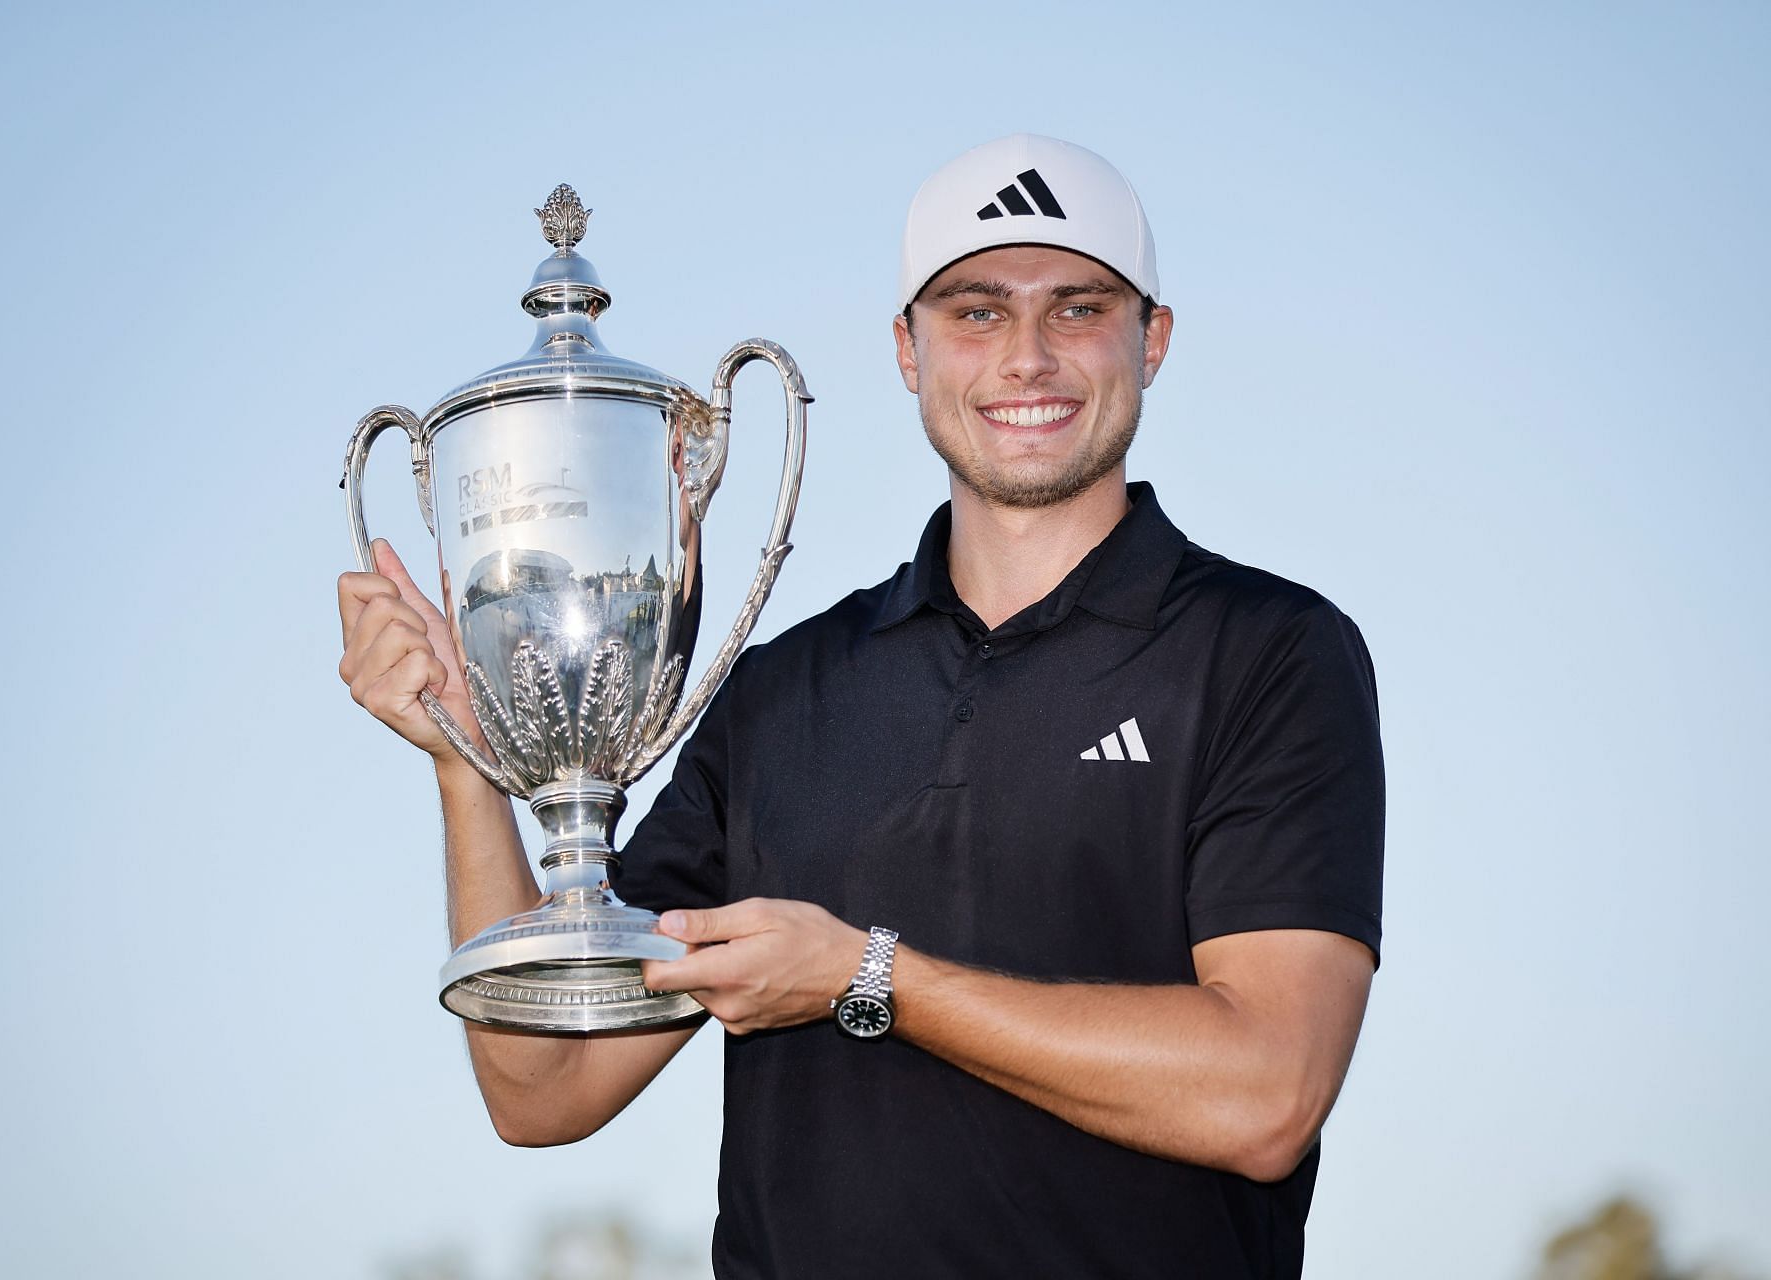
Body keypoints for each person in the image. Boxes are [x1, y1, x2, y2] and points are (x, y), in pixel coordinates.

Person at [337, 134, 1384, 1278]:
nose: (1027, 357)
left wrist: (865, 975)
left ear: (1154, 338)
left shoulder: (1268, 651)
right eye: (975, 313)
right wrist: (468, 766)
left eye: (1077, 308)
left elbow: (1267, 1091)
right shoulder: (781, 692)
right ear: (906, 348)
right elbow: (542, 1089)